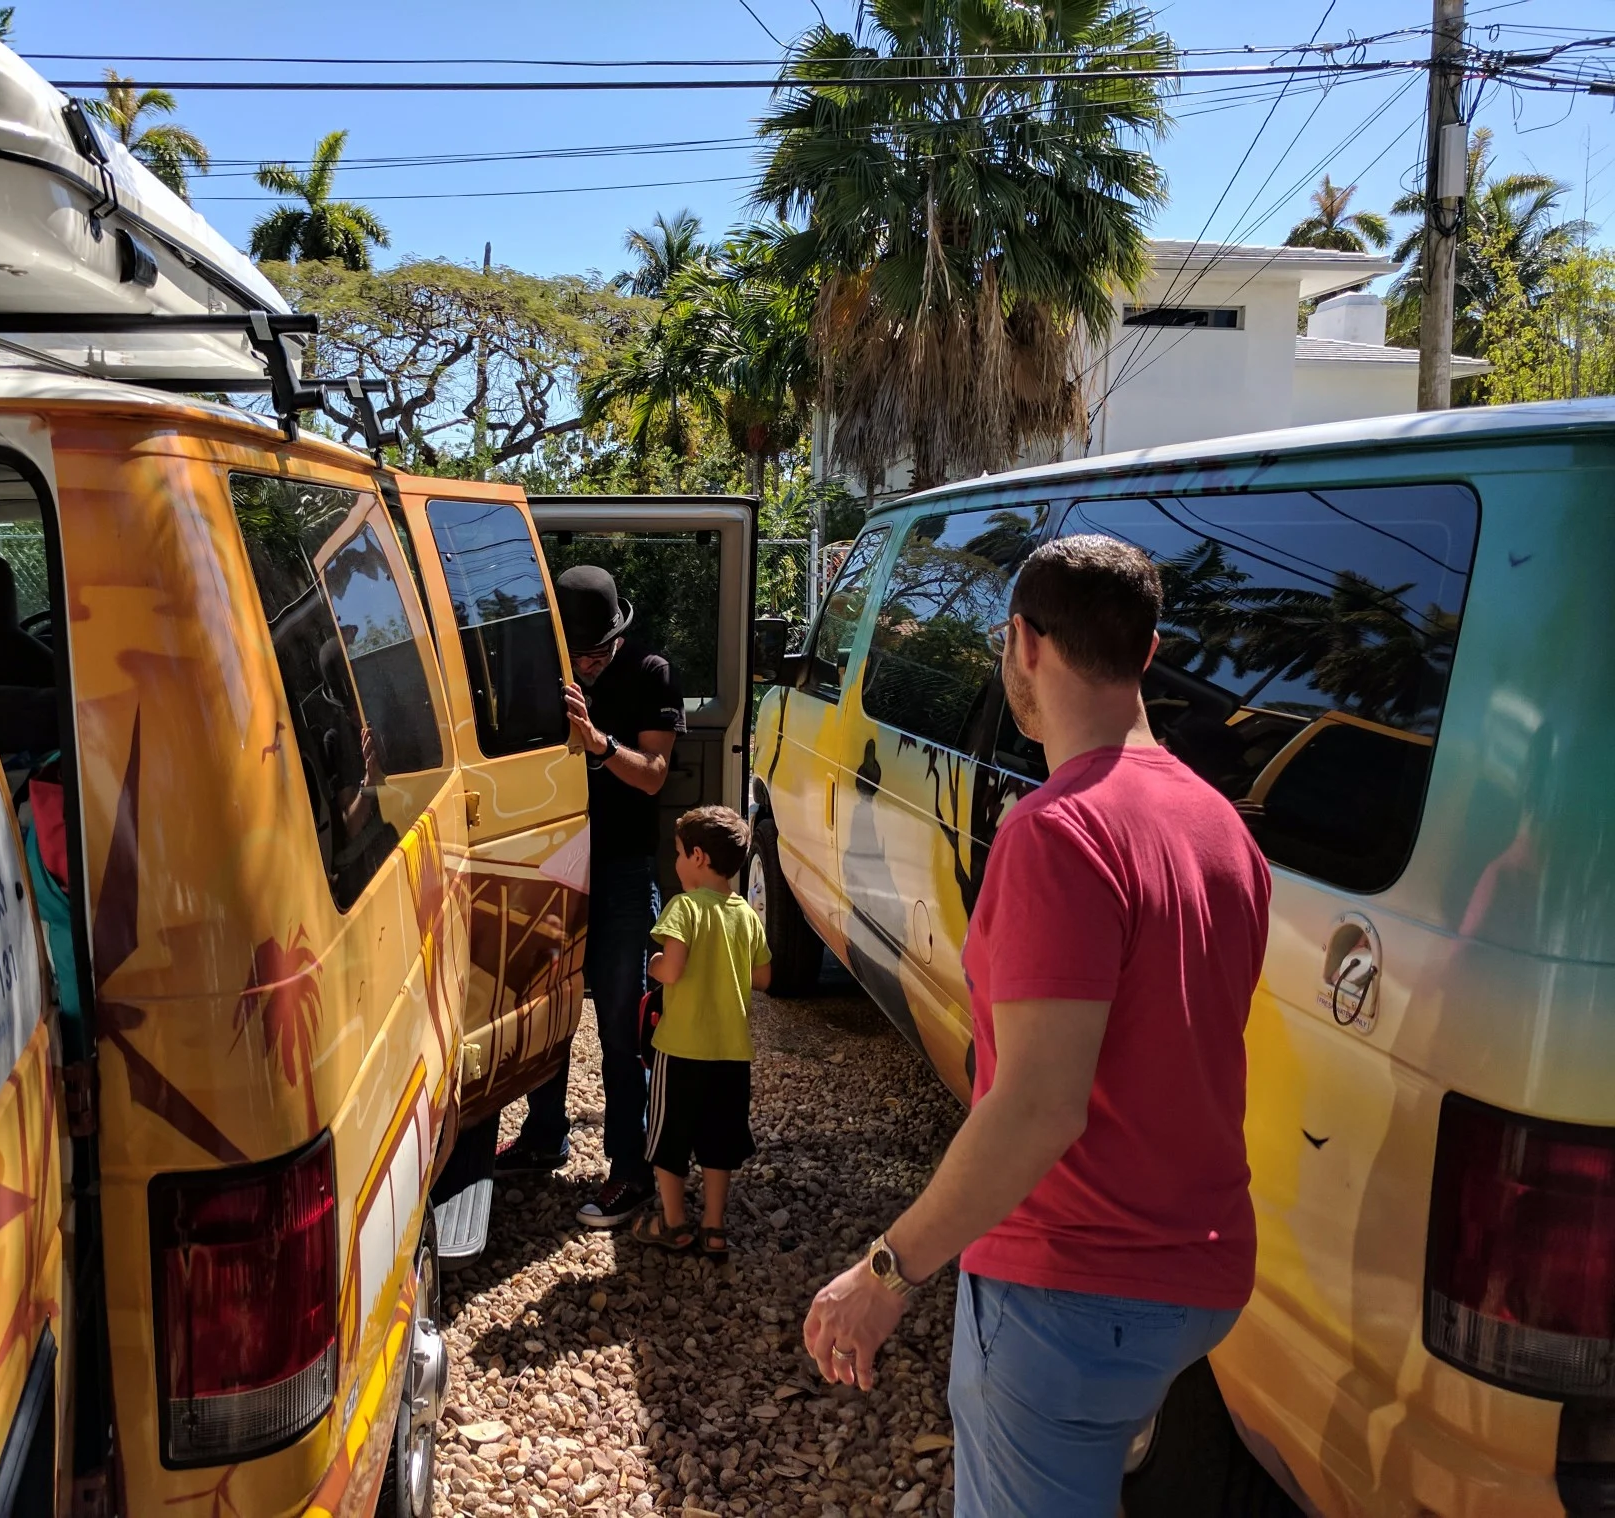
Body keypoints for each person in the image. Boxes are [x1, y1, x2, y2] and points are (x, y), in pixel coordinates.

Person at [801, 536, 1272, 1517]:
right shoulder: (1219, 825)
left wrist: (884, 1272)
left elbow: (1037, 1107)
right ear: (1145, 654)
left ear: (1020, 643)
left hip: (1074, 1289)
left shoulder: (1056, 832)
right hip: (1202, 1269)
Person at [496, 564, 685, 1230]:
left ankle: (628, 1169)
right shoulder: (548, 673)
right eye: (576, 653)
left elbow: (655, 775)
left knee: (619, 1027)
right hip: (553, 861)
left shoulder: (652, 672)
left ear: (616, 636)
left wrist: (599, 744)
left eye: (595, 652)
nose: (587, 664)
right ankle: (545, 1135)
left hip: (622, 870)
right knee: (545, 1002)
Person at [629, 805, 771, 1262]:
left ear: (697, 856)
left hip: (681, 1050)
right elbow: (764, 977)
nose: (675, 863)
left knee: (669, 1136)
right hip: (731, 1053)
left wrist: (652, 966)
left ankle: (672, 1224)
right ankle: (713, 1226)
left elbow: (671, 968)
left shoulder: (683, 907)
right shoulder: (745, 914)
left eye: (677, 854)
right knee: (718, 1139)